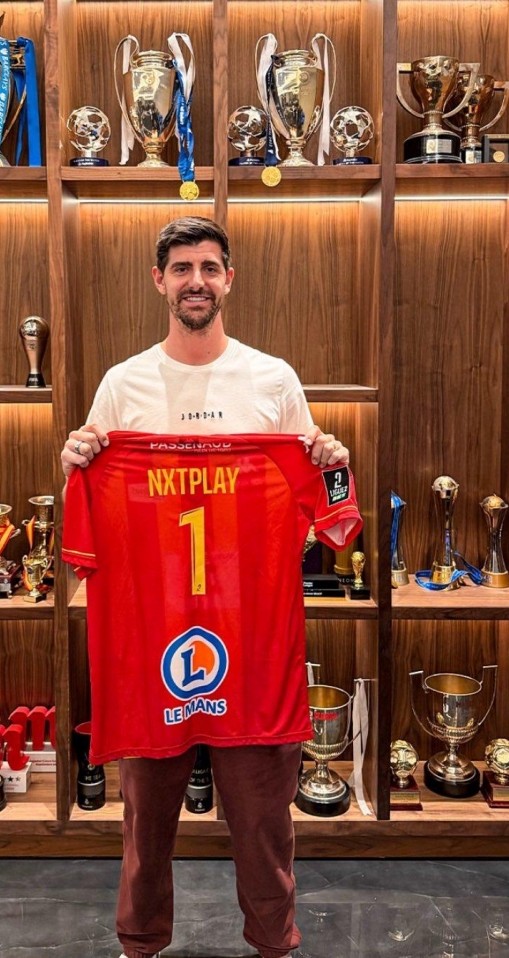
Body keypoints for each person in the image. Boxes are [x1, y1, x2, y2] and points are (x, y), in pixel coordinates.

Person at [60, 216, 350, 958]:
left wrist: (331, 462)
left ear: (229, 280)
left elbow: (323, 513)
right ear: (160, 280)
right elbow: (91, 501)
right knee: (144, 821)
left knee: (263, 819)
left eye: (210, 267)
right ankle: (139, 942)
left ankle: (274, 942)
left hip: (252, 639)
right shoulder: (122, 384)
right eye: (183, 268)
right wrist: (77, 463)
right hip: (151, 637)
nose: (197, 281)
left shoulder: (273, 380)